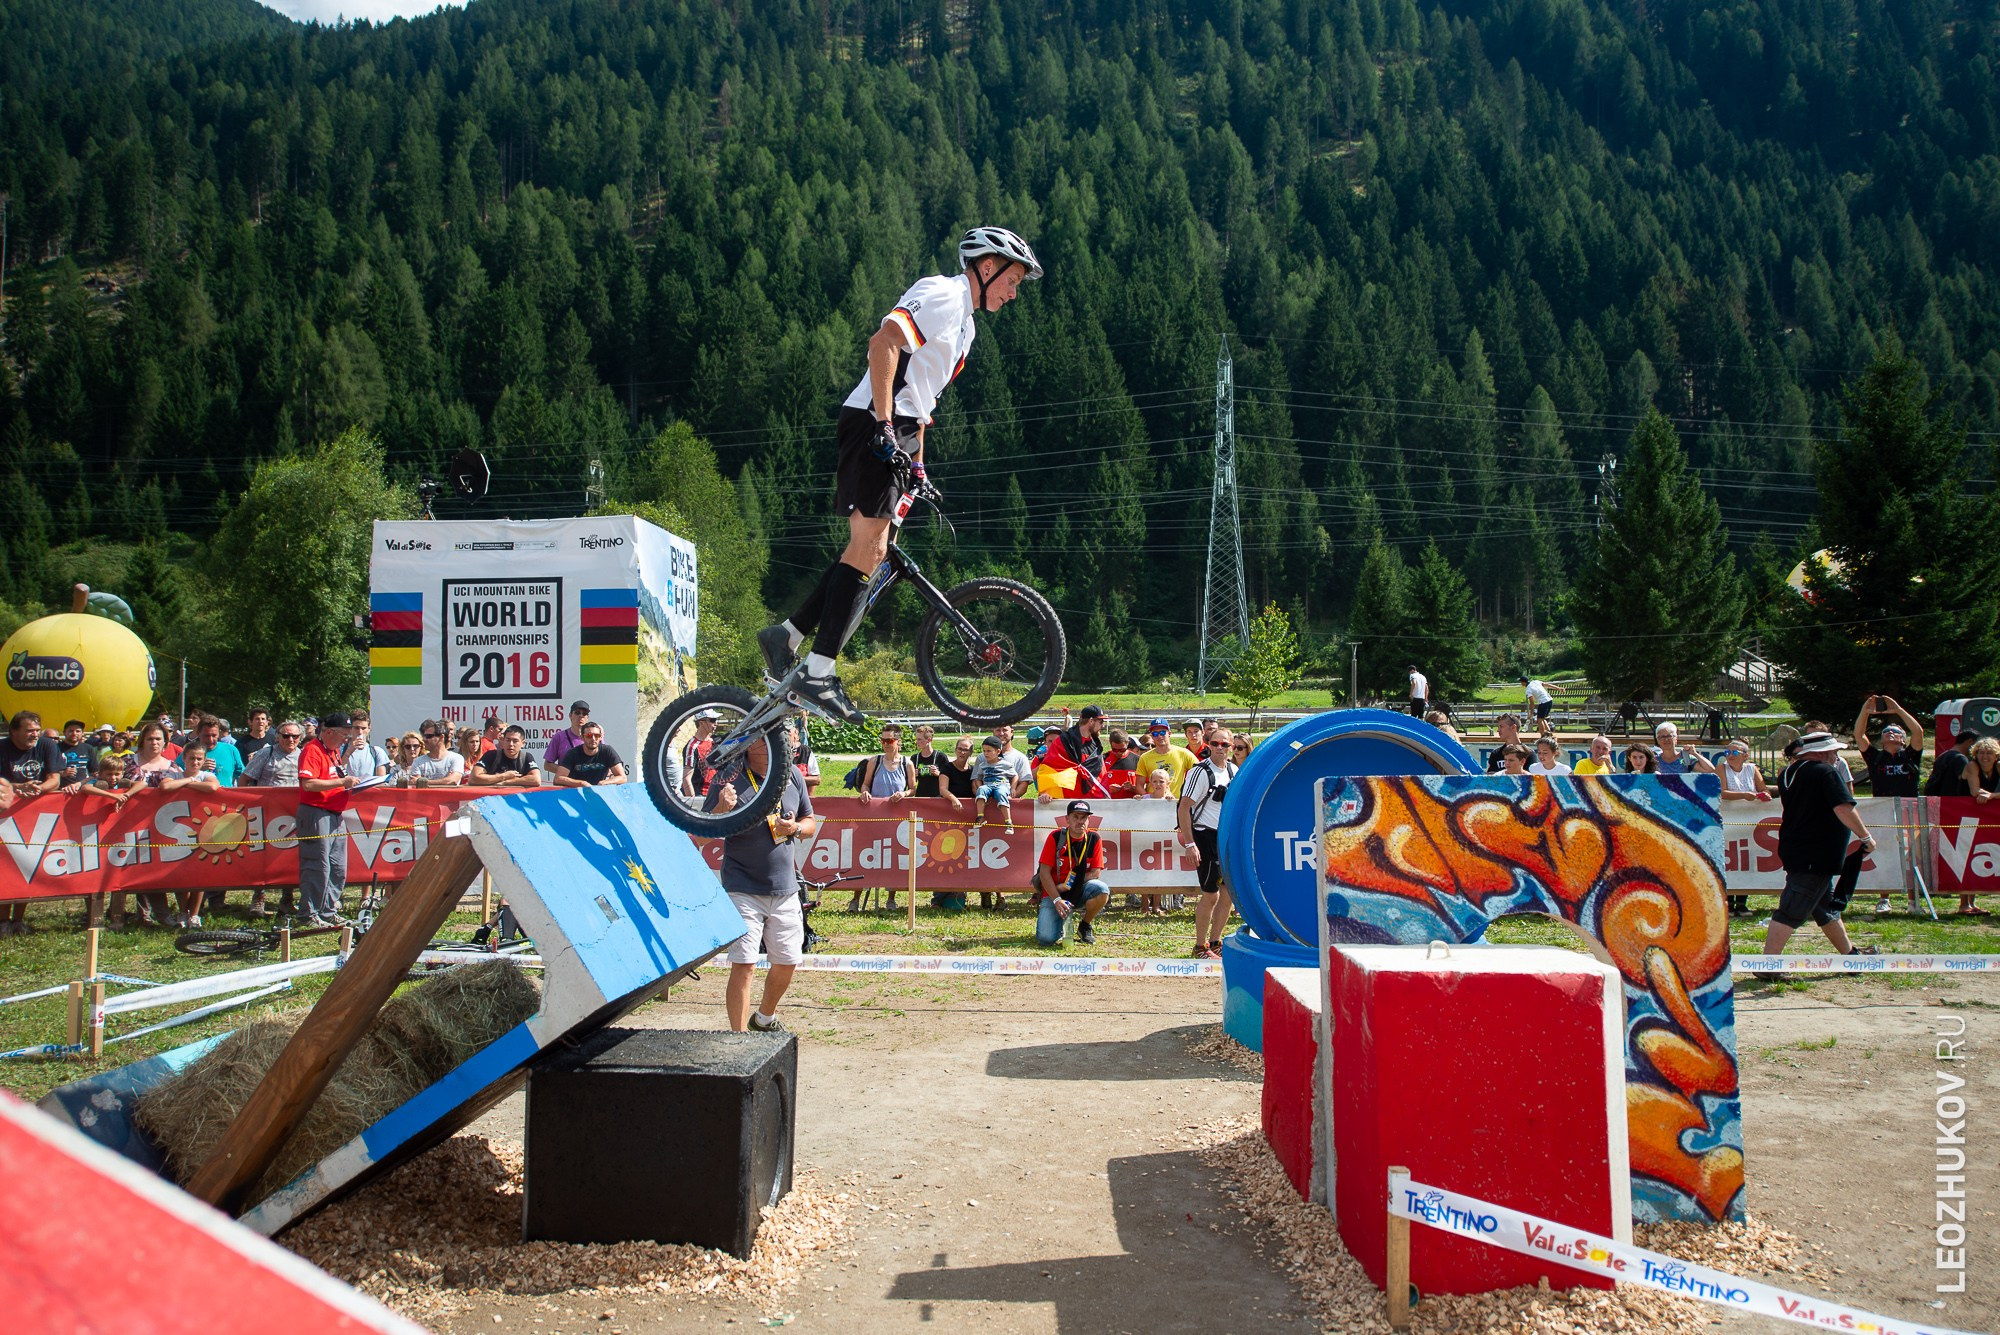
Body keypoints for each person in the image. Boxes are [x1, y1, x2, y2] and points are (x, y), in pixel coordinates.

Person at [758, 227, 1043, 722]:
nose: (1014, 292)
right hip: (874, 417)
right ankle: (818, 673)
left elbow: (923, 401)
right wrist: (885, 425)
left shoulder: (967, 329)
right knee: (869, 546)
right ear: (987, 266)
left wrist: (917, 463)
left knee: (874, 549)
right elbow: (884, 344)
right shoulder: (942, 293)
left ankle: (788, 635)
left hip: (904, 427)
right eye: (1013, 279)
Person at [715, 718, 817, 1032]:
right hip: (742, 887)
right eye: (771, 740)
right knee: (744, 965)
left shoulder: (792, 775)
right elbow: (703, 833)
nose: (779, 746)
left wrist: (796, 829)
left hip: (784, 888)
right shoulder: (728, 777)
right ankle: (738, 1038)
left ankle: (764, 1018)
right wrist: (721, 809)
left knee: (788, 962)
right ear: (753, 744)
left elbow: (809, 821)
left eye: (782, 741)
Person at [1764, 732, 1880, 957]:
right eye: (1834, 751)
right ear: (1822, 752)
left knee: (1826, 909)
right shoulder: (1825, 772)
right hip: (1816, 853)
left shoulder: (1788, 773)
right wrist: (1865, 837)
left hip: (1797, 847)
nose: (1836, 756)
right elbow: (1843, 808)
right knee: (1791, 910)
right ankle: (1769, 964)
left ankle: (1850, 955)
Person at [0, 711, 63, 934]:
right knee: (6, 866)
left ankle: (18, 919)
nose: (34, 734)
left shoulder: (47, 745)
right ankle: (3, 920)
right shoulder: (2, 748)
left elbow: (54, 780)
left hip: (34, 814)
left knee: (28, 864)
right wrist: (18, 789)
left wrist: (37, 789)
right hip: (5, 815)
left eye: (37, 730)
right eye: (29, 731)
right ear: (14, 731)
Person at [296, 711, 360, 928]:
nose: (346, 739)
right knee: (317, 865)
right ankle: (309, 913)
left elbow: (334, 774)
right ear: (329, 732)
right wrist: (343, 783)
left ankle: (328, 910)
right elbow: (309, 784)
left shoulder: (331, 751)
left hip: (335, 812)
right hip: (316, 812)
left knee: (338, 866)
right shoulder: (311, 750)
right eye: (344, 734)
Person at [1180, 726, 1237, 960]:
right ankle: (1199, 945)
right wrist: (1189, 843)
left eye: (1224, 744)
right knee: (1210, 894)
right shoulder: (1200, 772)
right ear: (1208, 744)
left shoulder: (1234, 770)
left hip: (1224, 836)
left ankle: (1215, 941)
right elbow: (1184, 807)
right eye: (1215, 744)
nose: (1219, 748)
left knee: (1228, 894)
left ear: (1232, 747)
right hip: (1204, 835)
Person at [1035, 800, 1109, 947]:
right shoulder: (1056, 837)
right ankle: (1060, 921)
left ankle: (1085, 925)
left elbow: (1095, 874)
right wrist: (1057, 898)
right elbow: (1044, 873)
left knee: (1101, 889)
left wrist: (1068, 885)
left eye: (1084, 818)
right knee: (1046, 939)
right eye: (1076, 817)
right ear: (1067, 819)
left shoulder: (1094, 838)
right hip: (1053, 892)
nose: (1080, 821)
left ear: (1088, 820)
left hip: (1078, 890)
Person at [1719, 739, 1772, 914]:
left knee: (1746, 859)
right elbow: (1722, 792)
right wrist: (1744, 795)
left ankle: (1741, 901)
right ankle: (1728, 900)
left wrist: (1764, 795)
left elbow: (1763, 789)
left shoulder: (1751, 769)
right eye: (1727, 752)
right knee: (1729, 859)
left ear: (1744, 755)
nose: (1730, 756)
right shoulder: (1722, 768)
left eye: (1734, 753)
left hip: (1748, 820)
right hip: (1728, 819)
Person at [1957, 737, 2000, 915]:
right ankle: (1963, 904)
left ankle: (1972, 903)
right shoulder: (1971, 766)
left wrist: (1991, 796)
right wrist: (1992, 795)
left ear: (1996, 756)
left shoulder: (1999, 767)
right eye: (1981, 752)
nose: (1985, 756)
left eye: (1989, 753)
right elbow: (1975, 792)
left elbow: (1986, 795)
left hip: (1984, 816)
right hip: (1961, 815)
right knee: (1965, 855)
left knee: (1979, 854)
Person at [1855, 694, 1923, 796]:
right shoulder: (1875, 757)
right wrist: (1865, 712)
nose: (1890, 732)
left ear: (1903, 740)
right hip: (1882, 808)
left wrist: (1898, 710)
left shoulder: (1911, 755)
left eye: (1896, 731)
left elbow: (1917, 732)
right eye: (1886, 731)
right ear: (1881, 740)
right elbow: (1859, 735)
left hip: (1907, 808)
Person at [1135, 718, 1198, 797]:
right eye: (1155, 734)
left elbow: (1200, 773)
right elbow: (1139, 786)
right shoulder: (1145, 758)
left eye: (1162, 732)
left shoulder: (1184, 753)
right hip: (1154, 804)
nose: (1159, 736)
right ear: (1152, 736)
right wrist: (1148, 799)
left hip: (1176, 803)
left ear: (1169, 733)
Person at [553, 722, 627, 786]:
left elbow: (622, 777)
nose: (593, 739)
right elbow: (558, 779)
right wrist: (581, 783)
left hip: (599, 792)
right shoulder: (573, 753)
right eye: (589, 736)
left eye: (597, 735)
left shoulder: (607, 751)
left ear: (601, 737)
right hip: (576, 793)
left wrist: (605, 782)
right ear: (582, 737)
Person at [971, 736, 1016, 829]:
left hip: (1001, 785)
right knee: (981, 790)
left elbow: (1015, 775)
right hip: (988, 786)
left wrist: (1013, 788)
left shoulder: (1005, 764)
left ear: (998, 752)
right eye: (984, 751)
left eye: (989, 751)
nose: (985, 754)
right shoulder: (982, 765)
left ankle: (1008, 822)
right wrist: (980, 786)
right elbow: (978, 778)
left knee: (1001, 793)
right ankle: (980, 817)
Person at [476, 725, 542, 788]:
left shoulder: (526, 757)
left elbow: (536, 780)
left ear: (523, 743)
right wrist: (503, 776)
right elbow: (474, 778)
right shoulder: (491, 755)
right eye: (508, 740)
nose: (511, 744)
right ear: (503, 740)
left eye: (515, 741)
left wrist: (507, 782)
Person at [241, 722, 305, 787]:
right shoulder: (265, 753)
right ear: (278, 736)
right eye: (286, 736)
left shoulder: (304, 755)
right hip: (268, 796)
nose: (290, 739)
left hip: (295, 796)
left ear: (300, 737)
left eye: (294, 736)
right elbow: (244, 779)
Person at [407, 721, 466, 787]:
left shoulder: (456, 758)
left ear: (441, 737)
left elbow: (452, 780)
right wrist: (445, 781)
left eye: (428, 736)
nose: (424, 739)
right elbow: (415, 785)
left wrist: (422, 781)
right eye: (424, 736)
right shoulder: (418, 761)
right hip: (425, 797)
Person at [680, 710, 719, 797]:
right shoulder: (692, 746)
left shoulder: (714, 742)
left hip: (714, 792)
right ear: (701, 723)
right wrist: (693, 803)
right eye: (713, 720)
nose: (716, 723)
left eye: (717, 720)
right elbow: (686, 778)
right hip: (699, 794)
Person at [543, 701, 593, 769]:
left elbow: (605, 762)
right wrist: (568, 772)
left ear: (587, 718)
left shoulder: (595, 737)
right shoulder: (559, 737)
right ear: (570, 715)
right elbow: (547, 765)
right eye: (577, 713)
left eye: (584, 714)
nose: (581, 716)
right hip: (567, 779)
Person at [343, 710, 392, 780]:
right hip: (347, 790)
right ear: (351, 729)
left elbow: (381, 780)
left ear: (369, 729)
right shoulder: (341, 749)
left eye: (363, 728)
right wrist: (348, 752)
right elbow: (337, 773)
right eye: (356, 728)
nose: (360, 732)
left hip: (369, 790)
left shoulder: (376, 752)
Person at [1101, 728, 1141, 798]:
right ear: (1110, 744)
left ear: (1127, 743)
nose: (1118, 753)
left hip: (1131, 804)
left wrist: (1133, 788)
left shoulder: (1137, 759)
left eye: (1122, 749)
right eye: (1115, 750)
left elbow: (1144, 787)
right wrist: (1107, 788)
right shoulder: (1103, 759)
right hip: (1109, 804)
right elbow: (1096, 786)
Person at [55, 719, 96, 787]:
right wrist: (62, 774)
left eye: (78, 731)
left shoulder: (88, 748)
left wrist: (81, 784)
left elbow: (94, 773)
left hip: (83, 789)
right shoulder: (56, 748)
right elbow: (47, 772)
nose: (74, 733)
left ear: (82, 733)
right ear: (64, 733)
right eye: (71, 731)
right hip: (62, 789)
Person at [940, 734, 977, 801]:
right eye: (960, 749)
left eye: (966, 750)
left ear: (971, 753)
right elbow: (943, 790)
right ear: (955, 750)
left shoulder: (973, 770)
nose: (962, 752)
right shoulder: (947, 768)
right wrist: (954, 800)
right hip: (950, 805)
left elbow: (976, 791)